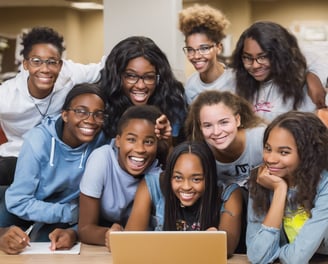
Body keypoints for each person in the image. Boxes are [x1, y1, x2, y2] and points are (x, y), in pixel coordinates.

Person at [1, 83, 108, 251]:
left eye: (98, 114)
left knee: (48, 246)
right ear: (65, 115)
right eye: (81, 111)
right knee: (6, 239)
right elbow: (18, 201)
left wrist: (73, 230)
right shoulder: (37, 140)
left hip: (64, 212)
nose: (90, 120)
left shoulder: (103, 143)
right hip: (28, 204)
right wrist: (72, 213)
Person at [0, 26, 104, 185]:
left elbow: (105, 67)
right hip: (17, 157)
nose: (45, 69)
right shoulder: (6, 96)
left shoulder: (70, 74)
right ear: (25, 64)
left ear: (60, 65)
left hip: (59, 156)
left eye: (51, 62)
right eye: (36, 61)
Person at [124, 141, 242, 258]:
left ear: (209, 177)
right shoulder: (152, 185)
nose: (186, 187)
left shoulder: (229, 194)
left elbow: (228, 247)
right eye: (178, 178)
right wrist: (204, 243)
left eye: (196, 179)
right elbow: (129, 242)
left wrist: (215, 240)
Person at [247, 111, 328, 264]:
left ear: (308, 154)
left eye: (284, 152)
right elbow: (257, 256)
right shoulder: (262, 179)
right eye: (268, 148)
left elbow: (296, 259)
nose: (270, 159)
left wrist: (276, 253)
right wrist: (279, 190)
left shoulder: (325, 184)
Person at [78, 105, 164, 248]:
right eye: (131, 139)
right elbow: (85, 229)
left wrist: (124, 238)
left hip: (141, 244)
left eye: (148, 142)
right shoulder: (102, 159)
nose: (140, 149)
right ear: (118, 140)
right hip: (106, 239)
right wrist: (109, 235)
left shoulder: (156, 174)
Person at [230, 21, 327, 122]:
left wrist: (313, 74)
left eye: (263, 57)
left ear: (280, 55)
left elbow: (318, 54)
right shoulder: (237, 82)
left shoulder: (301, 82)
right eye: (247, 57)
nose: (255, 65)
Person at [99, 36, 187, 144]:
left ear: (159, 78)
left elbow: (174, 155)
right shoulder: (103, 105)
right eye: (131, 76)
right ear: (117, 77)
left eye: (149, 77)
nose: (140, 86)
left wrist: (166, 140)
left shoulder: (172, 103)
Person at [185, 90, 266, 189]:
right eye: (208, 125)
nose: (216, 132)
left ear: (237, 120)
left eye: (224, 122)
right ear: (200, 127)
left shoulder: (261, 138)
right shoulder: (201, 153)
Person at [178, 4, 235, 105]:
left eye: (204, 48)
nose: (196, 56)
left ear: (218, 47)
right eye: (190, 50)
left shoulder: (235, 81)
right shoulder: (190, 85)